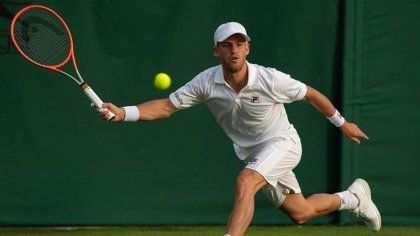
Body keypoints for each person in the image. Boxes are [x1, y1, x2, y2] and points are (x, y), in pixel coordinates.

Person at [96, 22, 381, 236]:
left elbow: (310, 94)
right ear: (216, 50)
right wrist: (123, 113)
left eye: (239, 44)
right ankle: (354, 198)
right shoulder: (205, 82)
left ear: (247, 48)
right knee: (301, 212)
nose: (234, 50)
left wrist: (342, 123)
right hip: (255, 152)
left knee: (245, 182)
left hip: (283, 143)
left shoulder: (270, 79)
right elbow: (166, 107)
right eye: (227, 45)